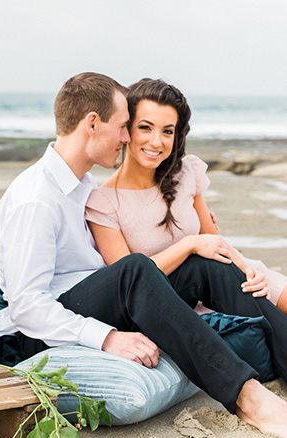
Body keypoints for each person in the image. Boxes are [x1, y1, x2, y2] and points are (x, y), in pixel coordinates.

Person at [0, 72, 287, 438]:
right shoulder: (36, 199)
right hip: (41, 332)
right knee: (135, 270)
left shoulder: (80, 183)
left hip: (96, 298)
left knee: (208, 265)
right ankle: (249, 398)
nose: (128, 138)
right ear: (92, 124)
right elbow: (27, 307)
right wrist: (107, 338)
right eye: (125, 126)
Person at [85, 78, 287, 317]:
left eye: (167, 131)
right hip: (184, 305)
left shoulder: (184, 173)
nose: (156, 141)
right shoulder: (103, 203)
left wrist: (248, 272)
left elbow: (213, 238)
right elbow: (128, 282)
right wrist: (188, 245)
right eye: (145, 127)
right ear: (127, 129)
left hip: (233, 276)